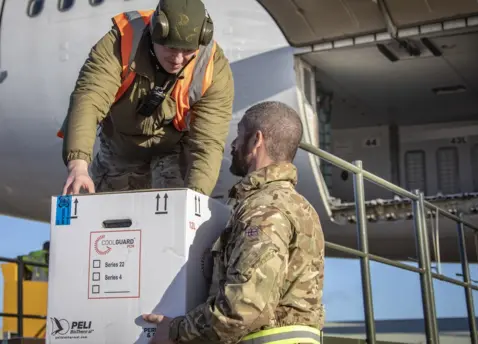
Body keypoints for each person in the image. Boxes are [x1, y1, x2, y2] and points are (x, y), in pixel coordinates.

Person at [142, 101, 326, 344]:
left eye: (239, 136)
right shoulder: (301, 207)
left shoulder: (264, 210)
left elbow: (243, 310)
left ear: (256, 140)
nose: (233, 145)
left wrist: (175, 331)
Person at [58, 0, 234, 196]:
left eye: (186, 51)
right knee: (107, 216)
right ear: (154, 32)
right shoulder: (121, 41)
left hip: (172, 151)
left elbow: (208, 142)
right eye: (170, 48)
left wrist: (196, 197)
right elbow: (88, 100)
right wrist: (78, 166)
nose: (177, 59)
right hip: (119, 150)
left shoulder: (213, 67)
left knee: (174, 213)